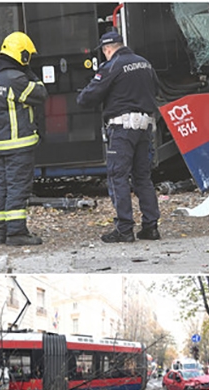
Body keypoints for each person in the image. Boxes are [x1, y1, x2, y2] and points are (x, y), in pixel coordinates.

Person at [77, 31, 161, 243]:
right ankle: (151, 227)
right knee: (143, 177)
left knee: (118, 176)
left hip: (122, 129)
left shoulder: (112, 66)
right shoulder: (145, 63)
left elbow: (87, 97)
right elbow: (157, 90)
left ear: (107, 49)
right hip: (145, 127)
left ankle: (124, 229)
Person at [0, 31, 48, 246]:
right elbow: (40, 94)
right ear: (23, 55)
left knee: (3, 186)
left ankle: (0, 232)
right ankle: (16, 232)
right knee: (19, 186)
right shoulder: (16, 79)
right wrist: (30, 73)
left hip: (0, 143)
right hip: (20, 143)